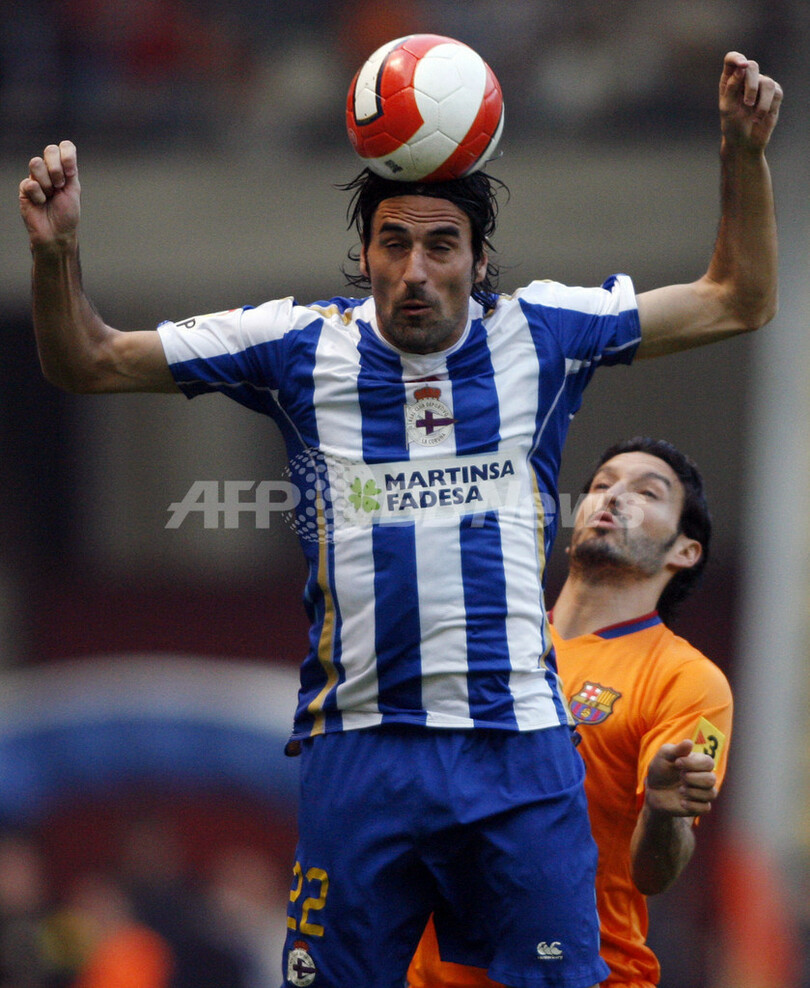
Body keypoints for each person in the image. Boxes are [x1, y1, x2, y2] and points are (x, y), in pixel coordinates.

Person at [18, 50, 779, 988]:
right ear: (366, 253)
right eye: (393, 244)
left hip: (515, 750)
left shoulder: (544, 333)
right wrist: (56, 255)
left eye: (442, 245)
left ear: (479, 261)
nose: (415, 270)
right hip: (361, 752)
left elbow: (737, 299)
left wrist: (743, 154)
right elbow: (87, 359)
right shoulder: (296, 345)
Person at [407, 436, 732, 987]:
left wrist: (664, 812)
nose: (614, 496)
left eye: (647, 492)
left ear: (685, 550)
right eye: (602, 485)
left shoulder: (688, 680)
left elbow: (656, 874)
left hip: (585, 974)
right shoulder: (483, 638)